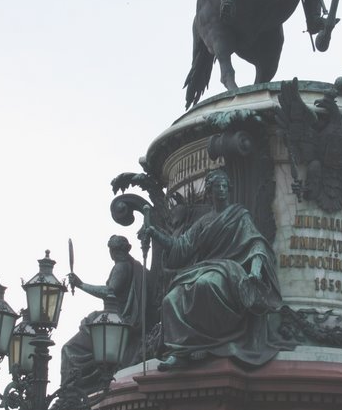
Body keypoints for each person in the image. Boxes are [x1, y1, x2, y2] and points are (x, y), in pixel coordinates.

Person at [141, 168, 286, 370]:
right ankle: (180, 351)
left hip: (229, 269)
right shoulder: (204, 222)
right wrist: (155, 234)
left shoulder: (239, 215)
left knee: (205, 285)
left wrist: (254, 271)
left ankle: (205, 344)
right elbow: (181, 248)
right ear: (209, 192)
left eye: (224, 186)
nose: (221, 190)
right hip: (206, 267)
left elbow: (256, 244)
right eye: (217, 187)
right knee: (170, 299)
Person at [62, 234, 144, 392]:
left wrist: (80, 284)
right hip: (113, 321)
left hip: (114, 322)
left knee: (69, 348)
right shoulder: (129, 265)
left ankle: (71, 389)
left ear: (113, 251)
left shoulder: (122, 266)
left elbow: (109, 291)